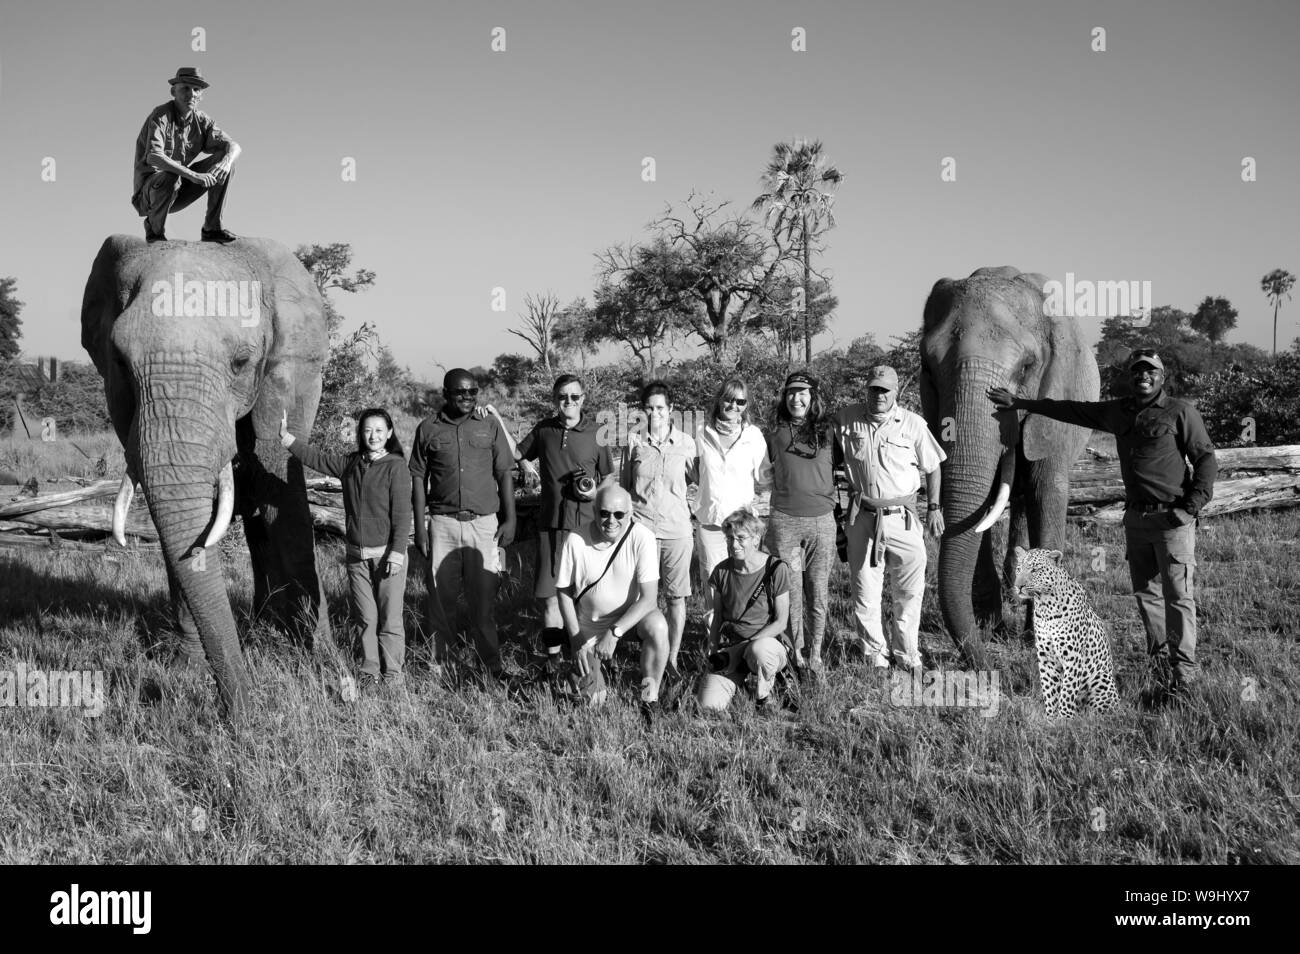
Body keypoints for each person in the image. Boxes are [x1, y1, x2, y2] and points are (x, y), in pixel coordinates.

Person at [988, 348, 1218, 695]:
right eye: (1138, 370)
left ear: (1162, 376)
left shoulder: (1180, 412)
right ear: (1130, 375)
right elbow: (1071, 410)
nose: (1144, 376)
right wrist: (1021, 403)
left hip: (1173, 519)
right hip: (1137, 519)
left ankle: (1184, 675)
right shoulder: (1118, 411)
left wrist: (1191, 508)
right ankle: (1157, 667)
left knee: (1178, 597)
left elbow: (1206, 460)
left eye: (1151, 371)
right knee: (1147, 596)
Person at [281, 408, 412, 691]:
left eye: (379, 430)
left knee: (390, 619)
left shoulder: (396, 466)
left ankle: (393, 677)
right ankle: (369, 672)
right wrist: (288, 439)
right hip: (356, 557)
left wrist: (398, 552)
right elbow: (318, 459)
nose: (373, 435)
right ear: (360, 434)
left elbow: (403, 516)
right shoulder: (350, 464)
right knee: (366, 618)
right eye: (367, 430)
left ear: (389, 433)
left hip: (388, 557)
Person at [832, 366, 946, 674]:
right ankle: (875, 656)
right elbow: (827, 464)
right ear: (866, 389)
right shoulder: (845, 419)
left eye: (884, 390)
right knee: (864, 590)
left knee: (909, 590)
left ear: (896, 392)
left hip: (903, 519)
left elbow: (933, 466)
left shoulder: (913, 423)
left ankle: (907, 654)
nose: (878, 395)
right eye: (874, 389)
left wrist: (934, 507)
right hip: (862, 516)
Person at [409, 369, 516, 680]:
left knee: (483, 601)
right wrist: (420, 527)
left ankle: (491, 667)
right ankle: (438, 667)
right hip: (442, 523)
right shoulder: (427, 429)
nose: (467, 398)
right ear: (445, 393)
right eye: (460, 393)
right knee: (440, 601)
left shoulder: (489, 424)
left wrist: (510, 519)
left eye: (472, 392)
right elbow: (418, 479)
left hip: (483, 525)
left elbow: (505, 473)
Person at [513, 375, 615, 670]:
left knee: (588, 596)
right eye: (562, 397)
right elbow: (516, 452)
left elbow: (608, 475)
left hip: (587, 527)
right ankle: (554, 660)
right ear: (554, 399)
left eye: (574, 397)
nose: (568, 402)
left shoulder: (598, 432)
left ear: (583, 399)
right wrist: (494, 420)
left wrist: (596, 492)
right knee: (549, 598)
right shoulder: (544, 429)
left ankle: (588, 660)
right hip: (551, 525)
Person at [555, 485, 670, 716]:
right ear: (594, 511)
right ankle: (582, 671)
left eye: (619, 514)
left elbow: (649, 599)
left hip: (630, 620)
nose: (611, 520)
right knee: (593, 702)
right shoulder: (575, 539)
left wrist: (615, 633)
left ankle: (649, 698)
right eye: (604, 513)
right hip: (589, 625)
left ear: (630, 514)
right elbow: (563, 593)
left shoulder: (643, 537)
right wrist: (576, 639)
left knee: (658, 625)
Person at [620, 381, 697, 675]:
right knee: (644, 597)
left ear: (672, 409)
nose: (655, 413)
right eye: (649, 408)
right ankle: (651, 650)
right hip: (642, 530)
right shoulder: (634, 442)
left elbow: (701, 481)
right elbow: (625, 488)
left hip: (677, 530)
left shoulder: (687, 443)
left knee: (676, 598)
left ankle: (672, 658)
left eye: (660, 408)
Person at [764, 371, 836, 676]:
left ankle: (816, 651)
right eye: (791, 393)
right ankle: (796, 651)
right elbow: (762, 472)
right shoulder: (775, 434)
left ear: (814, 396)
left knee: (817, 590)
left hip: (821, 523)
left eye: (803, 392)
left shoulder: (831, 432)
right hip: (786, 524)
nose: (797, 398)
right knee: (792, 590)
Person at [696, 509, 792, 712]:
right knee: (709, 706)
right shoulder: (721, 570)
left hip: (767, 644)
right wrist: (713, 648)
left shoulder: (776, 568)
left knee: (760, 651)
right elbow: (718, 616)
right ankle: (742, 682)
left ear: (756, 538)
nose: (734, 544)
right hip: (733, 645)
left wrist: (748, 645)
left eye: (741, 538)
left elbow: (781, 622)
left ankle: (764, 697)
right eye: (729, 538)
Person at [132, 67, 241, 244]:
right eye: (185, 88)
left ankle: (212, 228)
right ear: (173, 91)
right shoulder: (161, 115)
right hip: (151, 194)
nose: (191, 94)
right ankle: (155, 230)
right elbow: (154, 156)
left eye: (196, 89)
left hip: (181, 187)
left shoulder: (202, 120)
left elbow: (234, 146)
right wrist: (194, 175)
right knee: (170, 175)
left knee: (226, 159)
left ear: (201, 96)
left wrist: (227, 162)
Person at [693, 377, 771, 624]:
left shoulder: (754, 435)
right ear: (719, 399)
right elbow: (693, 472)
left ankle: (745, 638)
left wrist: (758, 505)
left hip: (743, 525)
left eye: (740, 401)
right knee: (713, 585)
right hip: (711, 523)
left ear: (746, 405)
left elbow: (766, 477)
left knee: (746, 582)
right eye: (729, 399)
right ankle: (715, 647)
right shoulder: (701, 433)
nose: (734, 405)